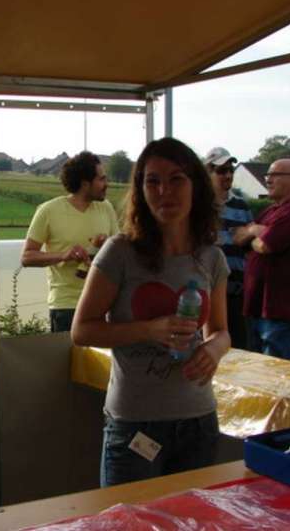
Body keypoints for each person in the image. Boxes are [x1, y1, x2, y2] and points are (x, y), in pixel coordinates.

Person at [72, 137, 230, 487]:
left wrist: (213, 350)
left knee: (190, 525)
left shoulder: (211, 257)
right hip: (134, 425)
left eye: (176, 179)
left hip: (198, 421)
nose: (164, 191)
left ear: (196, 186)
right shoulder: (120, 252)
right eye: (152, 181)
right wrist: (150, 329)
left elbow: (220, 330)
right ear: (140, 189)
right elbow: (82, 330)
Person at [21, 151, 119, 332]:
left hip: (103, 304)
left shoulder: (106, 208)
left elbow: (119, 253)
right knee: (70, 360)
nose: (107, 184)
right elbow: (27, 257)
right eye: (101, 179)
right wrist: (63, 255)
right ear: (84, 184)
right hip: (66, 306)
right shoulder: (48, 211)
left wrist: (107, 245)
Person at [240, 158, 290, 361]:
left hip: (280, 310)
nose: (268, 180)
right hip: (259, 308)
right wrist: (258, 232)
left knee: (279, 377)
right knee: (259, 375)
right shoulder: (271, 211)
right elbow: (240, 237)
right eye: (267, 175)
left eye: (274, 175)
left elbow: (265, 245)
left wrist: (254, 231)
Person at [203, 147, 253, 350]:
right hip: (205, 291)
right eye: (221, 171)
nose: (228, 175)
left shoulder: (241, 205)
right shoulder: (198, 205)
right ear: (208, 172)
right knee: (207, 348)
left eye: (230, 170)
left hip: (236, 293)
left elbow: (250, 244)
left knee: (237, 349)